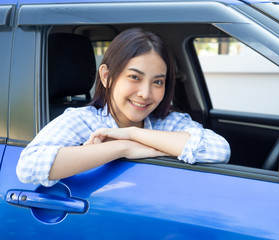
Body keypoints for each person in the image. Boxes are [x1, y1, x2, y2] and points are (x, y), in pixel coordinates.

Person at [16, 28, 230, 187]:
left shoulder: (169, 122)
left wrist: (131, 133)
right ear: (107, 77)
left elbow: (219, 150)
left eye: (158, 82)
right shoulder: (84, 120)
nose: (145, 93)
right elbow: (28, 166)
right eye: (134, 77)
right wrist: (122, 148)